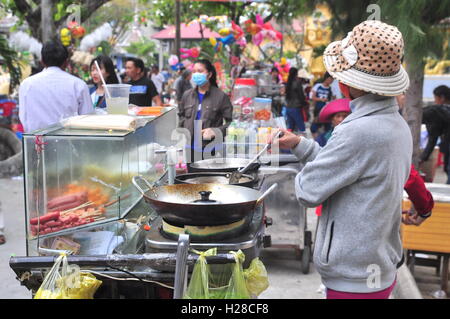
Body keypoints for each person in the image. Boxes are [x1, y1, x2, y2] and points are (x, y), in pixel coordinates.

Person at [274, 20, 413, 299]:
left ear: (350, 84)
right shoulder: (395, 123)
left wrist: (297, 171)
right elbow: (347, 169)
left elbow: (308, 190)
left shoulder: (357, 131)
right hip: (377, 266)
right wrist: (301, 145)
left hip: (354, 275)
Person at [19, 41, 93, 133]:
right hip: (69, 143)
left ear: (42, 61)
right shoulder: (78, 85)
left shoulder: (26, 85)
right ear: (66, 63)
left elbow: (24, 119)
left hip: (36, 143)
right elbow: (88, 120)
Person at [178, 59, 233, 162]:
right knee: (192, 178)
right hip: (190, 149)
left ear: (209, 74)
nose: (196, 74)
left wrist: (216, 131)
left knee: (211, 178)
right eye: (194, 71)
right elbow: (181, 116)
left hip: (212, 150)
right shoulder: (187, 95)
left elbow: (232, 123)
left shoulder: (221, 97)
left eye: (200, 71)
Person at [420, 104, 450, 184]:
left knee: (448, 168)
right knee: (447, 168)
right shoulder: (431, 110)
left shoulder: (428, 115)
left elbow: (432, 140)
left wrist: (422, 158)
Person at [310, 72, 334, 137]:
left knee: (328, 126)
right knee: (314, 127)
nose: (332, 81)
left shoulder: (331, 88)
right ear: (326, 78)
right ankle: (316, 142)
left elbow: (332, 99)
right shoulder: (318, 86)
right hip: (318, 109)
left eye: (333, 79)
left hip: (327, 110)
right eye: (330, 79)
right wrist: (321, 99)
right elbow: (313, 97)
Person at [284, 67, 308, 132]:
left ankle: (289, 141)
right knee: (301, 127)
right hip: (295, 108)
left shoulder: (288, 83)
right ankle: (302, 141)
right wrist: (305, 103)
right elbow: (301, 96)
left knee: (290, 128)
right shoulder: (297, 83)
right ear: (296, 74)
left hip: (288, 108)